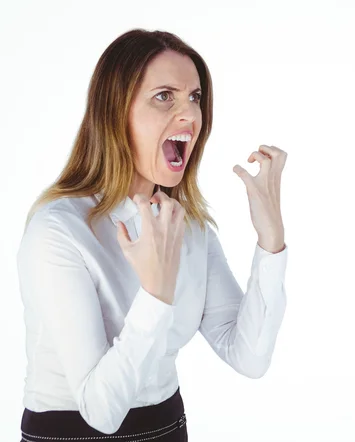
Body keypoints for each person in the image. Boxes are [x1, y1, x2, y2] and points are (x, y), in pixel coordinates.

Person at [17, 28, 288, 441]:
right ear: (115, 111)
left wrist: (271, 240)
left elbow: (248, 356)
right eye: (165, 96)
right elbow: (101, 411)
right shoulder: (58, 230)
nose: (191, 116)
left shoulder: (189, 226)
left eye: (195, 98)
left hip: (167, 427)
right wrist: (156, 292)